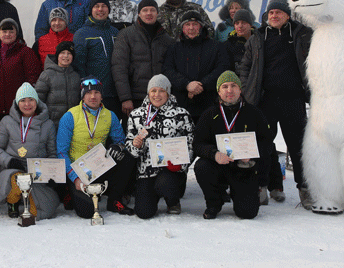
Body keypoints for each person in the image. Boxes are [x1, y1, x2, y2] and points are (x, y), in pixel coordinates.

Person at [238, 0, 313, 207]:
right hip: (265, 101)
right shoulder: (258, 38)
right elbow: (245, 66)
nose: (274, 15)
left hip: (293, 101)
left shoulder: (302, 35)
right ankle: (261, 187)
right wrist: (247, 88)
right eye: (270, 12)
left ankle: (304, 189)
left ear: (287, 15)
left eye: (278, 12)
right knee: (262, 146)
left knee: (298, 147)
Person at [192, 71, 273, 220]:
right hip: (219, 167)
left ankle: (240, 194)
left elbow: (267, 142)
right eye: (225, 86)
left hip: (244, 169)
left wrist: (253, 154)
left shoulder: (254, 113)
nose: (229, 90)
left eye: (233, 86)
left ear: (240, 89)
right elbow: (197, 144)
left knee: (247, 213)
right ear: (219, 91)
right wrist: (214, 154)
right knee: (202, 166)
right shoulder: (209, 115)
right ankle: (214, 202)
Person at [56, 77, 136, 218]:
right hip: (78, 171)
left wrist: (117, 147)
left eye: (96, 93)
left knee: (127, 157)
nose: (93, 96)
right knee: (87, 212)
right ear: (82, 95)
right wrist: (75, 178)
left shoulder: (110, 115)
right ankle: (70, 191)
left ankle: (114, 200)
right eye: (88, 93)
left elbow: (121, 141)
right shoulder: (70, 116)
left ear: (102, 95)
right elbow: (61, 152)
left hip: (99, 166)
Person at [125, 75, 193, 219]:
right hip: (146, 171)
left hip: (171, 171)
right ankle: (152, 196)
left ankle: (173, 201)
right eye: (153, 90)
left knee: (166, 184)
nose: (157, 95)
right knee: (144, 212)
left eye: (161, 90)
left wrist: (181, 165)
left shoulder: (182, 114)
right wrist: (136, 145)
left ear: (168, 93)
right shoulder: (136, 115)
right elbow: (129, 145)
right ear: (148, 93)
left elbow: (190, 143)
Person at [0, 83, 59, 219]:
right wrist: (9, 161)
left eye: (31, 100)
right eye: (23, 100)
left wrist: (51, 173)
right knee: (17, 179)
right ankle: (13, 201)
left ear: (37, 102)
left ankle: (29, 201)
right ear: (17, 103)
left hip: (37, 172)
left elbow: (52, 153)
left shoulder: (48, 124)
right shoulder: (7, 121)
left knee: (41, 211)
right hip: (13, 169)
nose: (27, 104)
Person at [112, 0, 175, 119]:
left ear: (157, 13)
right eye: (145, 10)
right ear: (139, 13)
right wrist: (125, 98)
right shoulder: (126, 35)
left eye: (152, 10)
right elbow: (119, 68)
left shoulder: (166, 38)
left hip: (160, 98)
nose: (149, 13)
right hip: (135, 99)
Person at [162, 11, 229, 124]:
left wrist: (201, 85)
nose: (191, 28)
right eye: (187, 25)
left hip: (210, 105)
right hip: (181, 107)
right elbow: (168, 71)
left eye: (195, 24)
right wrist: (187, 85)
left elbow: (222, 68)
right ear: (182, 28)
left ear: (201, 27)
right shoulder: (174, 49)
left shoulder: (216, 47)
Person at [72, 0, 120, 117]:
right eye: (96, 6)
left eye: (104, 6)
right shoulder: (82, 34)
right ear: (90, 10)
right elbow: (79, 65)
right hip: (93, 94)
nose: (100, 9)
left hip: (115, 93)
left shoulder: (115, 32)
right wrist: (87, 90)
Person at [0, 18, 42, 118]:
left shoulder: (26, 52)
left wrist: (27, 101)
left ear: (16, 33)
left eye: (11, 31)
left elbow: (33, 78)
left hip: (19, 108)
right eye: (4, 31)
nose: (7, 34)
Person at [35, 41, 81, 131]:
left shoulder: (76, 76)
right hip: (52, 124)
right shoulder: (47, 75)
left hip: (72, 124)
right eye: (62, 53)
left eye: (69, 53)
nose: (66, 56)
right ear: (57, 56)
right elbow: (38, 100)